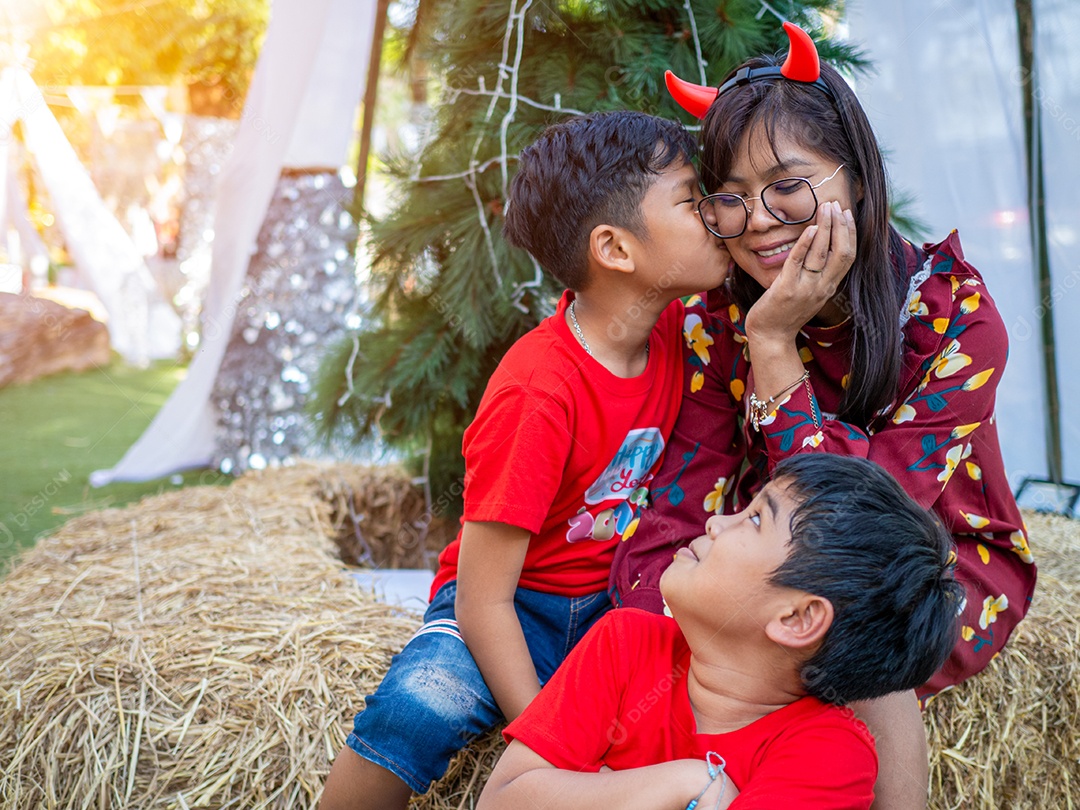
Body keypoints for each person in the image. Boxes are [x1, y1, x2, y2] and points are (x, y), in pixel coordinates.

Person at [609, 22, 1037, 809]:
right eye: (729, 198)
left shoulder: (958, 321)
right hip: (756, 546)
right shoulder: (711, 317)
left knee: (840, 629)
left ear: (859, 180)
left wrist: (774, 344)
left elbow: (866, 538)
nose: (759, 219)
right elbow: (680, 499)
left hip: (928, 563)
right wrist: (651, 628)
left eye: (788, 185)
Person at [320, 110, 734, 809]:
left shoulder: (679, 332)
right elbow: (483, 600)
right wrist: (545, 732)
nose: (718, 214)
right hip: (517, 605)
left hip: (618, 605)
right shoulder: (538, 392)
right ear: (615, 249)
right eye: (693, 200)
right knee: (418, 707)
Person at [479, 454, 965, 810]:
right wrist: (686, 784)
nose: (715, 522)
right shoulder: (623, 642)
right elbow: (501, 801)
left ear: (796, 619)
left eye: (754, 519)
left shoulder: (831, 755)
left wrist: (589, 786)